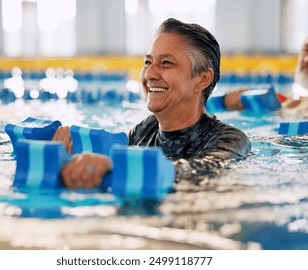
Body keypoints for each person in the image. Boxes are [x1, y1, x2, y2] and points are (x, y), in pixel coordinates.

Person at [53, 18, 251, 189]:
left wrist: (115, 165)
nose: (149, 74)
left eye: (166, 63)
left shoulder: (230, 140)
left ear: (203, 78)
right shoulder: (144, 131)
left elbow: (201, 172)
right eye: (148, 62)